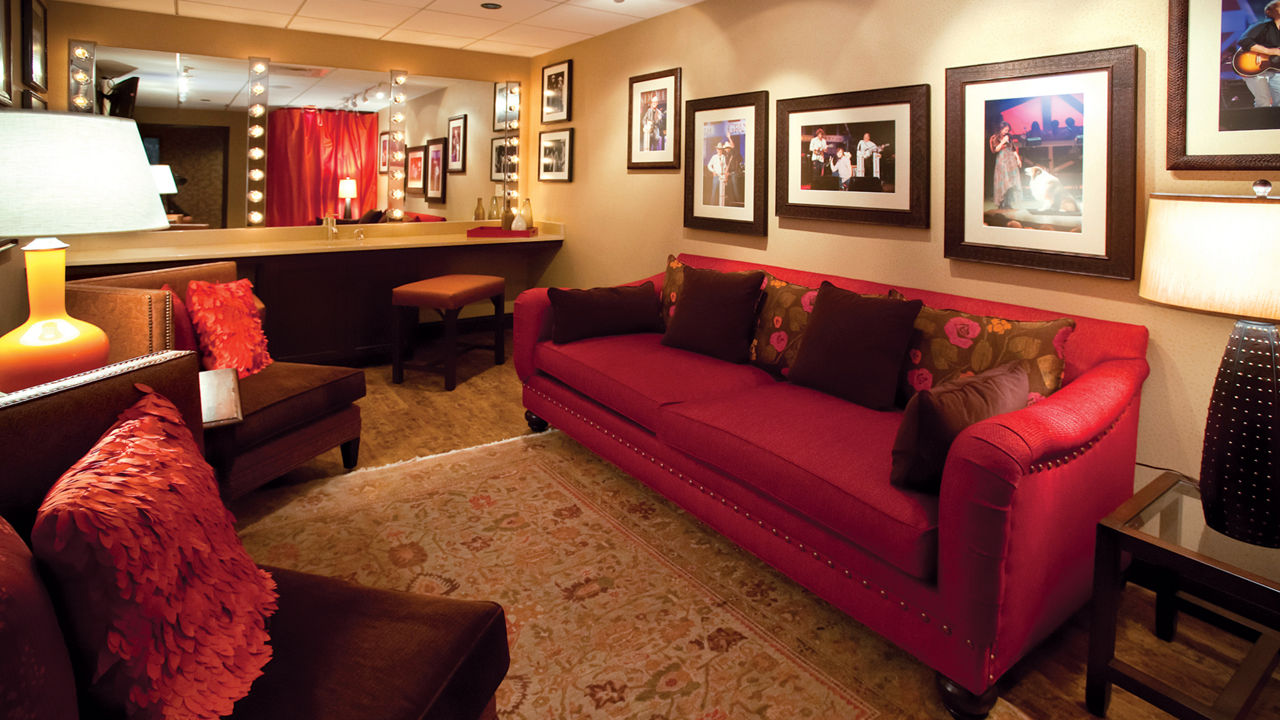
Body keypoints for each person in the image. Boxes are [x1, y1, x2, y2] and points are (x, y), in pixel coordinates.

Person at [1239, 1, 1280, 107]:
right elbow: (1244, 41)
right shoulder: (1262, 26)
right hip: (1256, 69)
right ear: (1269, 11)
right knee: (1263, 102)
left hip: (1277, 71)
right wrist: (1270, 51)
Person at [988, 121, 1022, 209]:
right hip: (1002, 161)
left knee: (1011, 181)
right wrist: (1003, 141)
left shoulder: (1009, 136)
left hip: (1011, 161)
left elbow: (1013, 148)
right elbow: (995, 150)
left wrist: (1018, 159)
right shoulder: (995, 137)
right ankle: (1001, 202)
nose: (1006, 131)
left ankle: (1008, 202)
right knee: (1003, 181)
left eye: (1007, 130)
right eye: (1005, 130)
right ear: (1000, 129)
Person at [707, 141, 730, 205]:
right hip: (716, 176)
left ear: (722, 150)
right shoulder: (714, 157)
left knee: (722, 192)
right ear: (716, 150)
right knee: (714, 191)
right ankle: (712, 205)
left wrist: (725, 173)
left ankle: (721, 205)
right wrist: (713, 171)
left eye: (720, 149)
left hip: (722, 176)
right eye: (718, 149)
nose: (719, 150)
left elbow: (725, 166)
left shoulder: (723, 157)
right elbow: (709, 165)